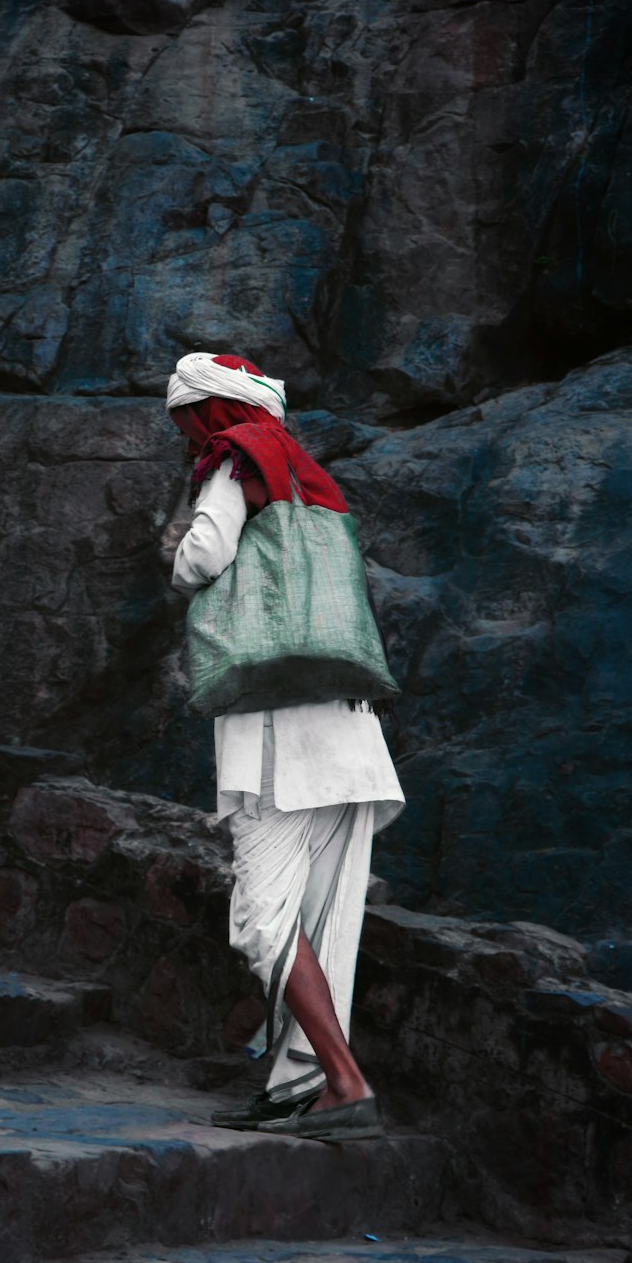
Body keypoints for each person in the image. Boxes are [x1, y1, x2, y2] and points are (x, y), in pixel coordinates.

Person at [167, 351, 405, 1142]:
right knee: (326, 922)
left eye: (183, 418)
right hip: (350, 728)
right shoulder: (311, 479)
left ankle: (344, 1083)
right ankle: (298, 1087)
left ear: (210, 412)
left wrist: (175, 557)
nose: (182, 433)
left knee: (264, 921)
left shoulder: (234, 462)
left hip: (280, 735)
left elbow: (203, 556)